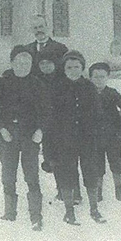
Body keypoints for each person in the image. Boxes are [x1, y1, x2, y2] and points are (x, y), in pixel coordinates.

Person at [0, 46, 46, 231]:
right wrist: (1, 128)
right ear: (12, 63)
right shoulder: (3, 82)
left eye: (27, 62)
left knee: (32, 175)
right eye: (19, 62)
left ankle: (36, 216)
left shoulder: (37, 83)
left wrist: (41, 130)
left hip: (29, 136)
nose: (23, 65)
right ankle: (9, 213)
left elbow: (47, 111)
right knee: (8, 175)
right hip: (8, 135)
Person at [49, 51, 106, 225]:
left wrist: (95, 135)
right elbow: (52, 117)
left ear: (82, 68)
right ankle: (69, 212)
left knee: (90, 171)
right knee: (67, 172)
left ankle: (94, 209)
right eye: (69, 67)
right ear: (64, 69)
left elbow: (97, 114)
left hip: (87, 139)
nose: (73, 70)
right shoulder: (57, 87)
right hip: (65, 139)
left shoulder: (89, 87)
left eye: (77, 67)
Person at [89, 62, 121, 202]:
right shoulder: (87, 93)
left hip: (112, 134)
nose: (99, 80)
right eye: (96, 77)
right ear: (90, 78)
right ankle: (98, 190)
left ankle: (118, 187)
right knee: (97, 163)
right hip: (94, 135)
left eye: (102, 77)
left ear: (107, 77)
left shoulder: (112, 93)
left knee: (115, 161)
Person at [39, 47, 80, 204]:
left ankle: (75, 192)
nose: (45, 66)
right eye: (42, 63)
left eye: (48, 63)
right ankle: (61, 189)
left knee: (69, 160)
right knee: (52, 158)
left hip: (64, 126)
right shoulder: (38, 80)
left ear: (55, 63)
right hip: (47, 126)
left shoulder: (63, 79)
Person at [25, 14, 68, 78]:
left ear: (47, 27)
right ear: (32, 30)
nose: (38, 30)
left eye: (41, 26)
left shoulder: (60, 48)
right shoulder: (27, 49)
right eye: (35, 28)